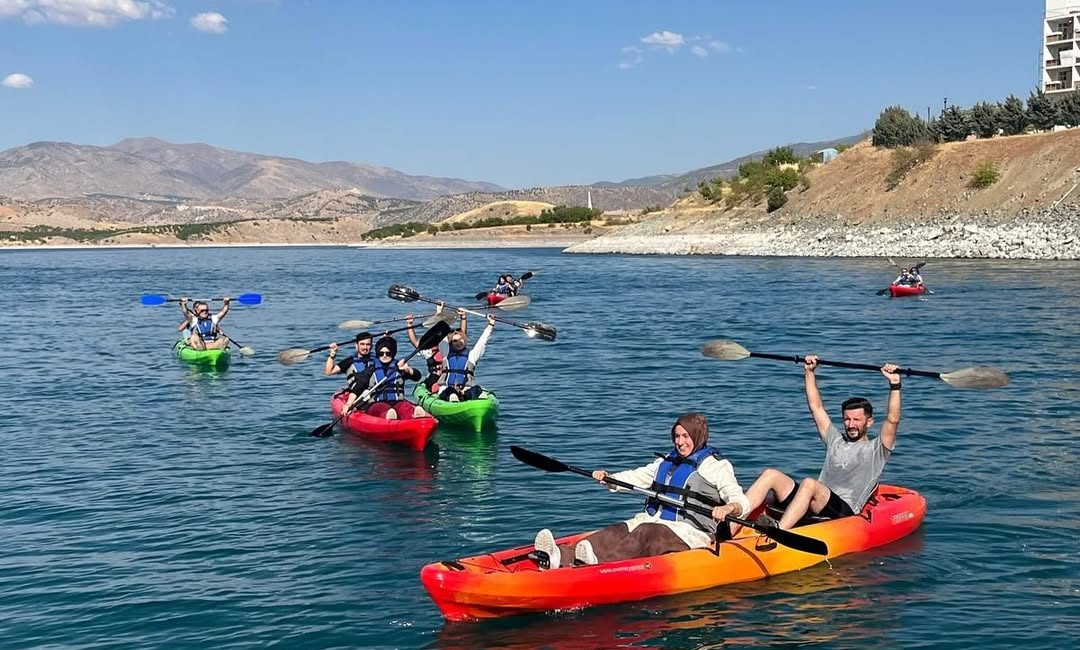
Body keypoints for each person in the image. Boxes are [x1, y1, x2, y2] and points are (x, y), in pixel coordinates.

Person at [532, 413, 750, 570]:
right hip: (654, 520)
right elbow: (636, 476)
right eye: (676, 436)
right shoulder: (666, 462)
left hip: (690, 533)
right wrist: (609, 478)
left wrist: (729, 507)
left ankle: (596, 563)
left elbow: (739, 499)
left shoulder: (717, 467)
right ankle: (561, 555)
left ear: (698, 436)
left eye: (685, 437)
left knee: (646, 532)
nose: (679, 442)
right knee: (617, 530)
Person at [740, 355, 900, 531]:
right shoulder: (835, 440)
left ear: (869, 422)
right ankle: (732, 523)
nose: (851, 424)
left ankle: (779, 531)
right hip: (815, 502)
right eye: (847, 419)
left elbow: (892, 420)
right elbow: (815, 406)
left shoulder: (878, 449)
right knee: (770, 474)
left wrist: (894, 385)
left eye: (857, 419)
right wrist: (809, 372)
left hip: (843, 511)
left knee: (809, 483)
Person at [342, 336, 426, 420]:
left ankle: (414, 415)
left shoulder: (399, 367)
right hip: (376, 403)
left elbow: (417, 377)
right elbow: (358, 387)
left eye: (388, 353)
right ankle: (389, 417)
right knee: (386, 410)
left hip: (397, 402)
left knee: (405, 408)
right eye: (381, 353)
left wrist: (408, 370)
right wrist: (349, 404)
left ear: (393, 353)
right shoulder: (372, 368)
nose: (384, 356)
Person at [435, 312, 495, 401]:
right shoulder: (446, 352)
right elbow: (440, 335)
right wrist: (440, 313)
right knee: (450, 391)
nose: (459, 342)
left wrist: (491, 324)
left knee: (476, 389)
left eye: (461, 339)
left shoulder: (472, 355)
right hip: (447, 388)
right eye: (455, 341)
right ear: (451, 343)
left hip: (466, 389)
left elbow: (482, 341)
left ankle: (476, 400)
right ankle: (453, 398)